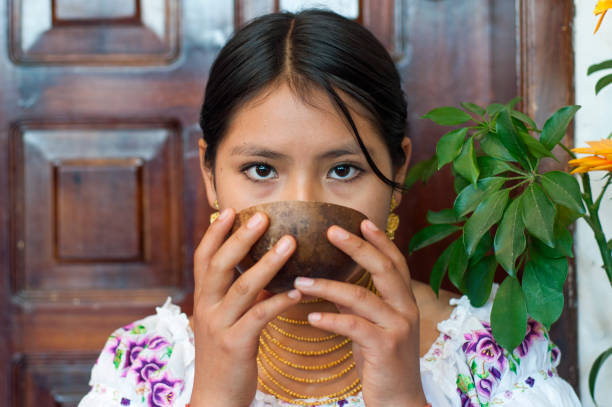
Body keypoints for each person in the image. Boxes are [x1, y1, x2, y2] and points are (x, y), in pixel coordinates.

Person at [78, 9, 582, 407]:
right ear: (210, 175)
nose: (304, 207)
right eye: (261, 169)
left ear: (397, 173)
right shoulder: (140, 364)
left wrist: (404, 399)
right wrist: (212, 398)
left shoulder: (496, 351)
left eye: (343, 169)